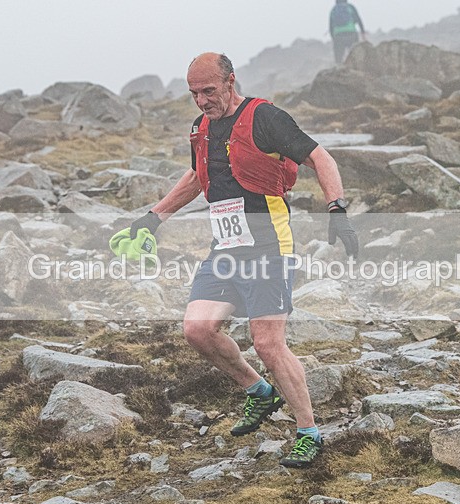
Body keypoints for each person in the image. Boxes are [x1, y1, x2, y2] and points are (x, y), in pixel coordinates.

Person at [128, 52, 358, 467]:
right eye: (194, 93)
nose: (201, 101)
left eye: (209, 91)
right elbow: (199, 177)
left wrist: (337, 208)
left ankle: (309, 432)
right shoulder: (201, 128)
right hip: (226, 249)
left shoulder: (265, 117)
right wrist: (154, 216)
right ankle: (259, 392)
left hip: (269, 247)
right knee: (197, 329)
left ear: (231, 81)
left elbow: (321, 158)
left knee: (268, 343)